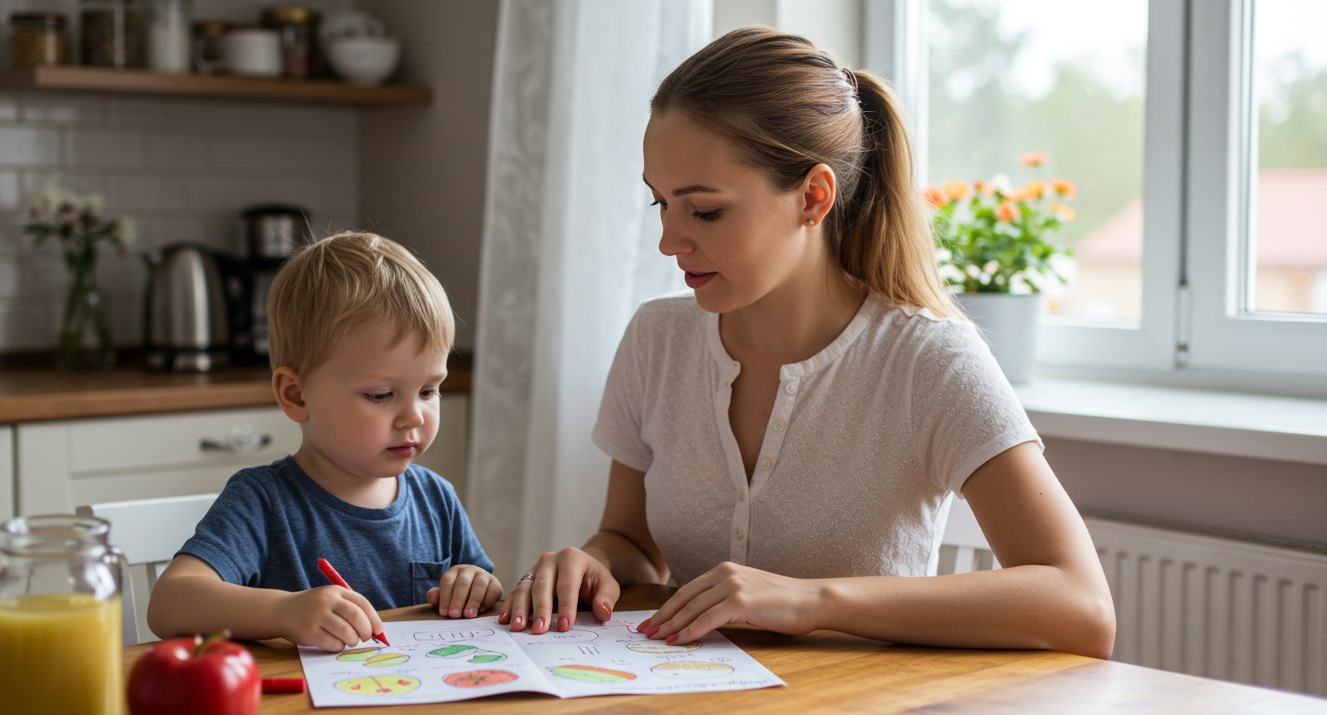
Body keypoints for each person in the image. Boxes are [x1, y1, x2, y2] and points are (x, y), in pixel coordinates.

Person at [499, 27, 1115, 658]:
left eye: (704, 211)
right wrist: (593, 560)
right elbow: (632, 544)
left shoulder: (928, 360)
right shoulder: (657, 338)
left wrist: (809, 601)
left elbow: (1082, 607)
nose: (668, 241)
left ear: (814, 197)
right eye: (661, 204)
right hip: (691, 714)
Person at [148, 231, 500, 651]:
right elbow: (169, 603)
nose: (414, 416)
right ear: (296, 396)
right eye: (380, 395)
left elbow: (487, 593)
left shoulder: (436, 498)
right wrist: (282, 612)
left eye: (428, 390)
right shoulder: (262, 501)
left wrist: (478, 585)